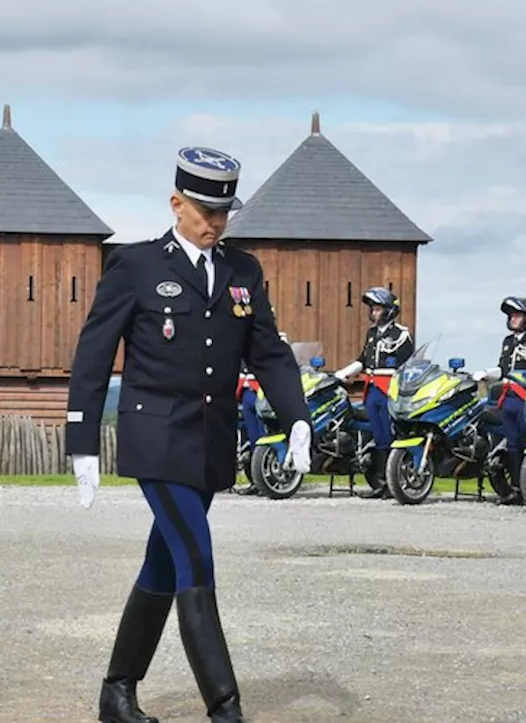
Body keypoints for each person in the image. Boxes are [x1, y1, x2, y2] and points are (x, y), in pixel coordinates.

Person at [65, 146, 310, 723]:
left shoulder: (242, 271)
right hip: (156, 436)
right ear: (176, 204)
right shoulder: (137, 266)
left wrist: (297, 415)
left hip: (210, 441)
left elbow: (268, 351)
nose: (216, 223)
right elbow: (94, 355)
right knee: (196, 558)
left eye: (224, 213)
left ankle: (116, 693)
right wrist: (82, 441)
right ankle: (225, 707)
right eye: (205, 212)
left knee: (164, 564)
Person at [333, 288, 414, 499]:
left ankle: (392, 482)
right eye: (373, 309)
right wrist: (342, 373)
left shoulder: (401, 335)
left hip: (390, 390)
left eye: (377, 309)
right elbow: (363, 360)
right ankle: (380, 482)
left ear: (388, 311)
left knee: (389, 435)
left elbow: (407, 367)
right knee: (378, 437)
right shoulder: (371, 334)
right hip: (372, 390)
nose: (373, 313)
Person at [471, 297, 526, 505]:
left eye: (518, 315)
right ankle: (516, 488)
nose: (513, 319)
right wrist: (486, 374)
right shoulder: (508, 342)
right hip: (507, 399)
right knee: (512, 444)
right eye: (511, 315)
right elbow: (502, 369)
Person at [234, 331, 287, 497]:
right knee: (253, 438)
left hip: (262, 391)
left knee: (265, 436)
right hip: (246, 391)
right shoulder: (241, 336)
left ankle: (267, 480)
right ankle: (255, 480)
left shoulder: (275, 337)